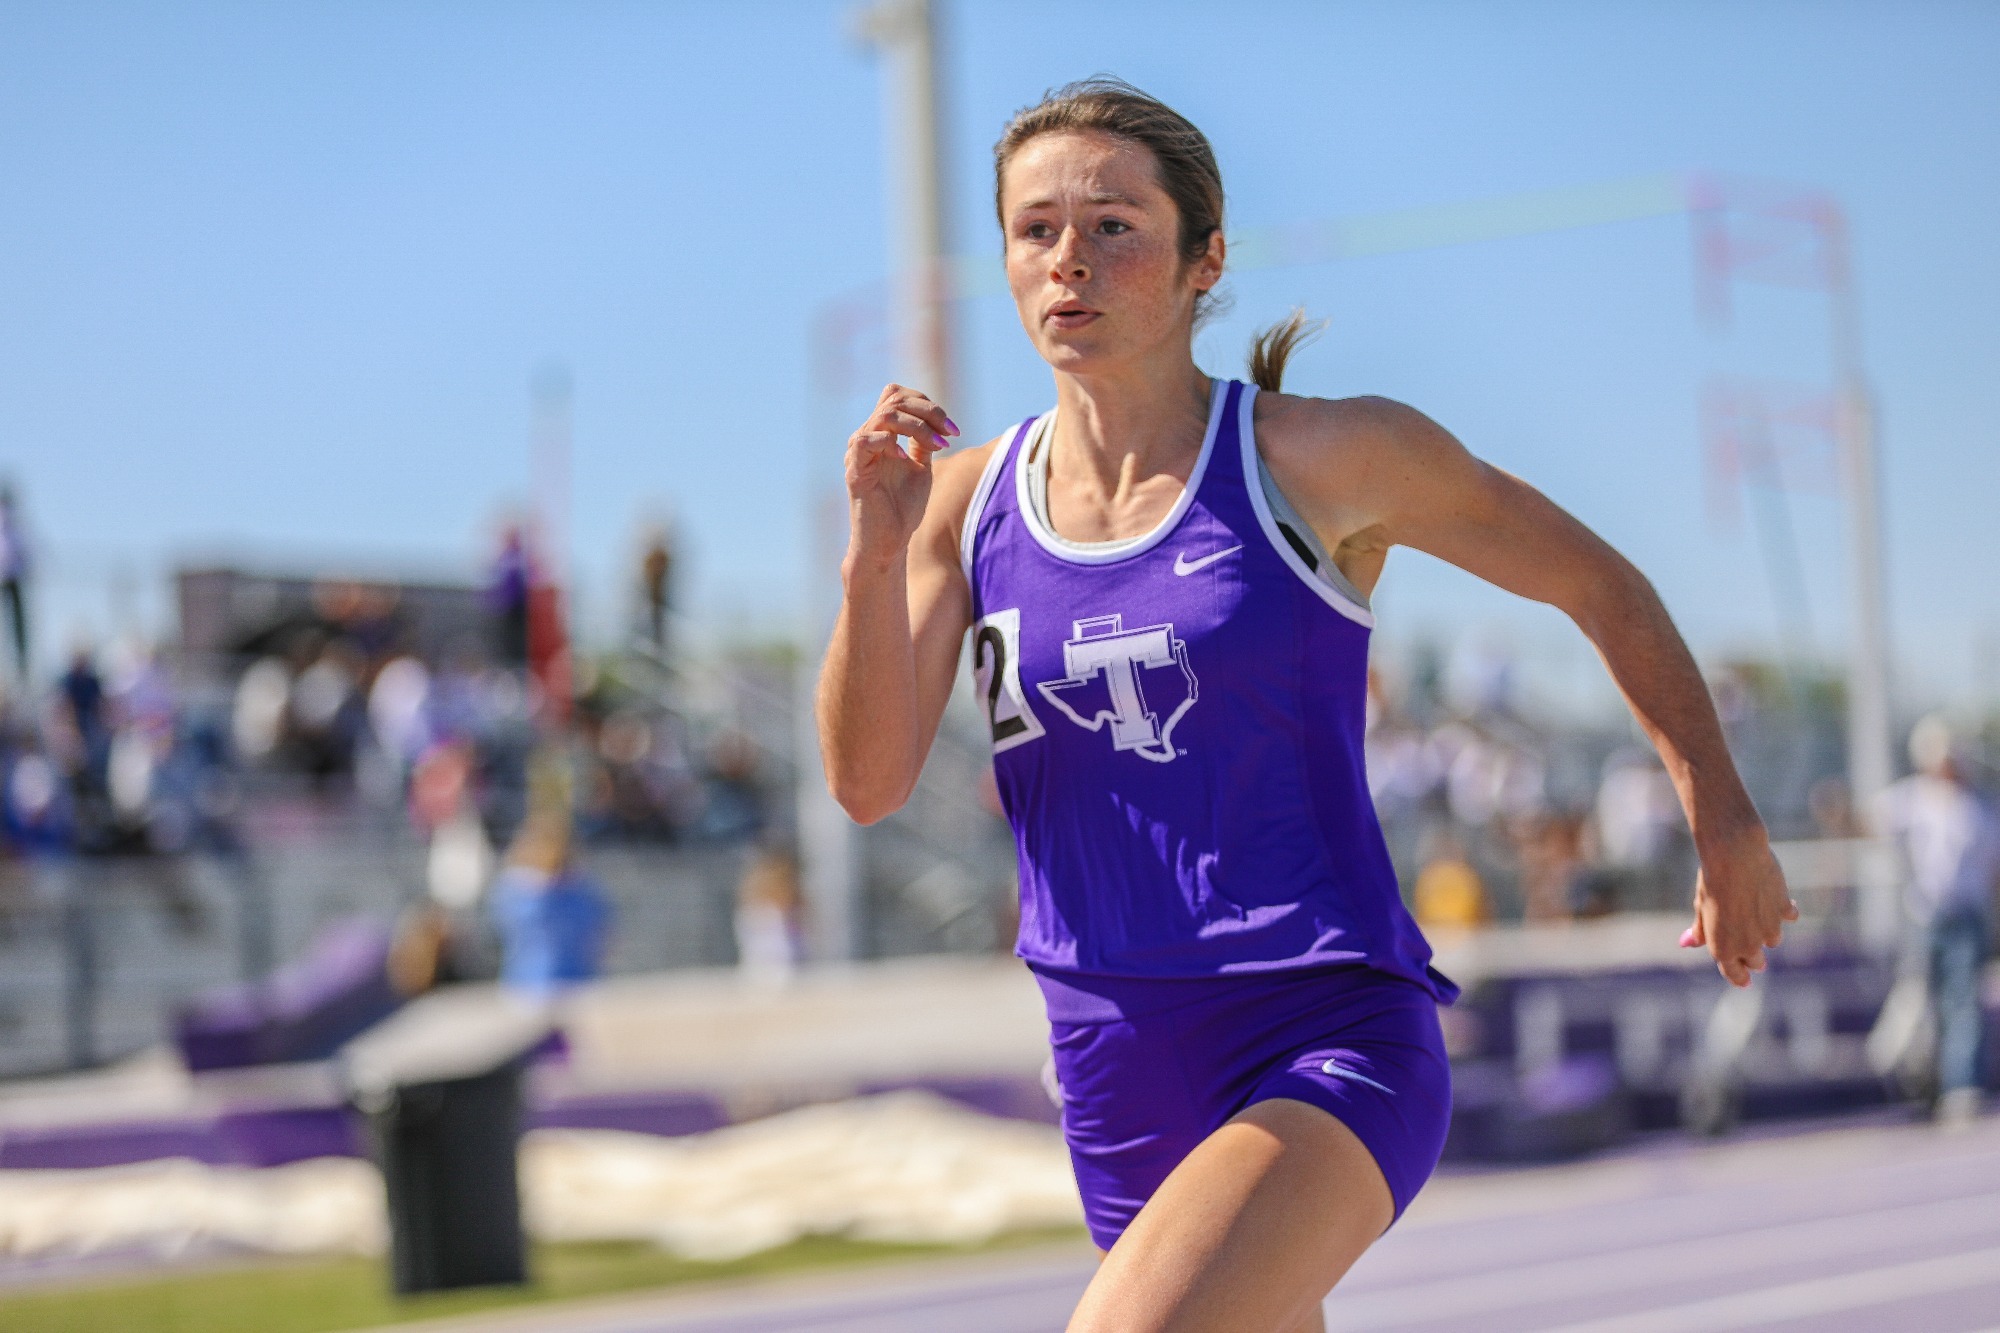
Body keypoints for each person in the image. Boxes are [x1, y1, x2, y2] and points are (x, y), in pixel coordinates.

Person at [816, 79, 1796, 1332]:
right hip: (1110, 1061)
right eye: (1035, 229)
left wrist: (1719, 814)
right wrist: (870, 552)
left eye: (1113, 225)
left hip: (1320, 1029)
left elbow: (1600, 585)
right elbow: (864, 781)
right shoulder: (961, 504)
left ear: (1201, 258)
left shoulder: (1318, 459)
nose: (1070, 260)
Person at [1877, 714, 1998, 1126]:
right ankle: (1917, 1081)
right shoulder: (1911, 799)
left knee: (1962, 1003)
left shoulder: (1978, 806)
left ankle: (1960, 1087)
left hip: (1966, 916)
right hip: (1924, 915)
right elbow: (1868, 822)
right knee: (1916, 999)